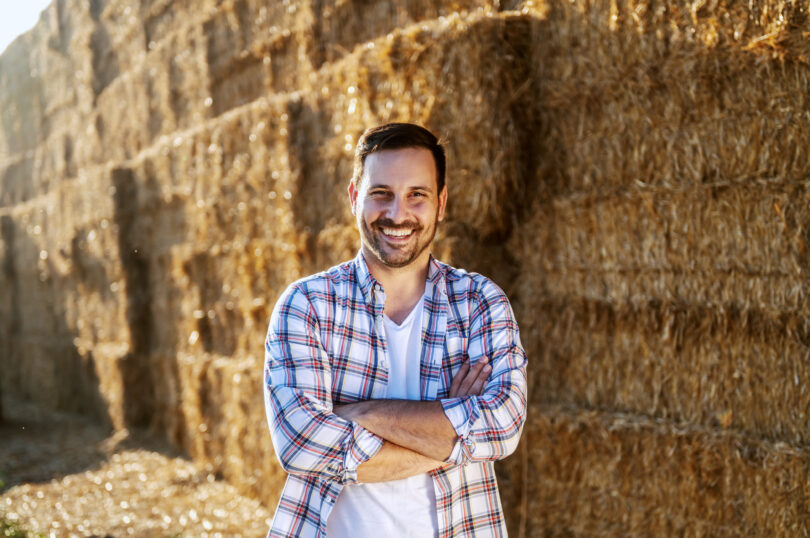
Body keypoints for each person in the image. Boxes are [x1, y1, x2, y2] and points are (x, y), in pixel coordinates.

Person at [264, 122, 527, 537]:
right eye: (381, 194)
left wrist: (359, 413)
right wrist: (453, 433)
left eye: (416, 195)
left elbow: (503, 425)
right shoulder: (308, 305)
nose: (398, 214)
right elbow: (301, 445)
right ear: (354, 198)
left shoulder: (479, 303)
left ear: (441, 203)